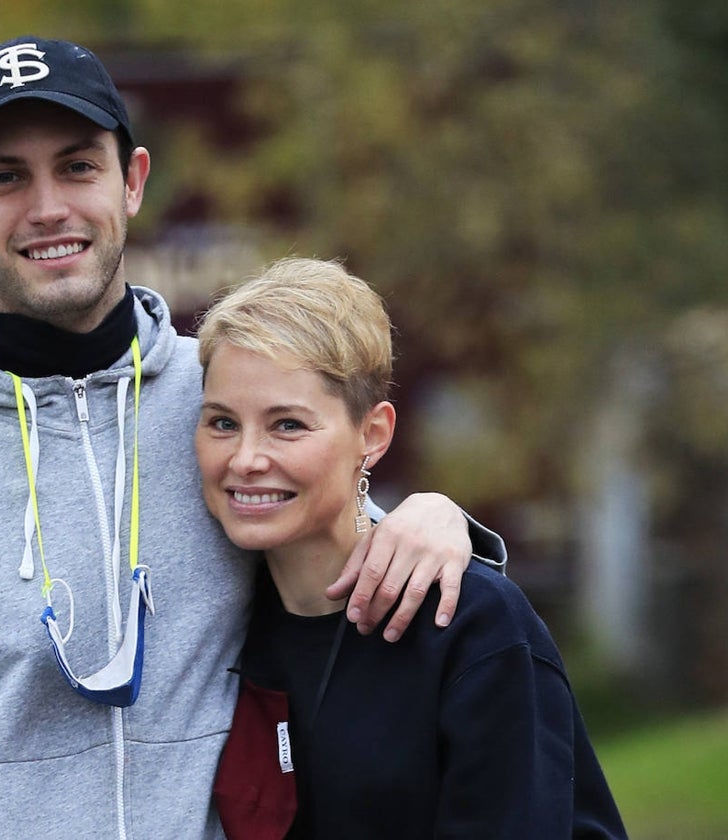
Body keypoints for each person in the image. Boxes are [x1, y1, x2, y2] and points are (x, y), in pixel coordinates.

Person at [0, 37, 506, 837]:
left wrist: (436, 517)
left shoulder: (221, 401)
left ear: (133, 181)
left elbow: (338, 544)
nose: (48, 207)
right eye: (6, 176)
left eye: (78, 167)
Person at [197, 257, 626, 838]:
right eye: (222, 423)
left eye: (287, 425)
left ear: (371, 436)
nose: (245, 459)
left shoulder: (471, 624)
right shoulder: (219, 623)